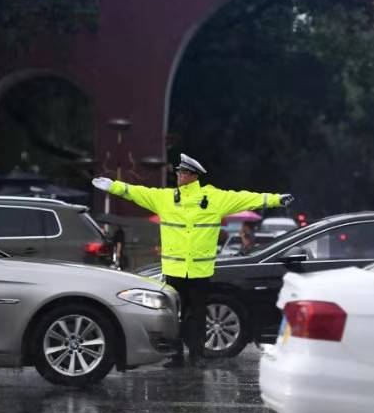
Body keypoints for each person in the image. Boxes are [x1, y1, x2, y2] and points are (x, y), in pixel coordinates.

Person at [92, 153, 293, 369]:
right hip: (175, 269)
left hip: (199, 270)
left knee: (197, 316)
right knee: (173, 316)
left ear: (193, 176)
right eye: (178, 172)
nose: (179, 176)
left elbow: (246, 198)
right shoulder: (166, 198)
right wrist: (113, 186)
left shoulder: (214, 198)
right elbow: (136, 192)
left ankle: (197, 356)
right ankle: (175, 355)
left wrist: (275, 199)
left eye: (183, 173)